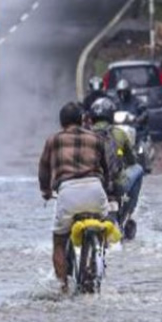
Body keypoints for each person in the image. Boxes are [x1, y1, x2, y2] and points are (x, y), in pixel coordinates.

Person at [38, 102, 111, 293]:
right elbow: (106, 168)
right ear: (82, 120)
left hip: (68, 192)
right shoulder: (95, 138)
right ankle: (97, 260)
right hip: (95, 189)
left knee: (59, 242)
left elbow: (44, 169)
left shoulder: (53, 140)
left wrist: (45, 191)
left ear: (61, 122)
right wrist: (106, 190)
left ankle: (63, 286)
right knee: (104, 226)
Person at [90, 97, 143, 233]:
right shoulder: (119, 133)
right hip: (116, 185)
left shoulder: (84, 135)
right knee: (138, 169)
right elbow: (132, 161)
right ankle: (127, 214)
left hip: (89, 184)